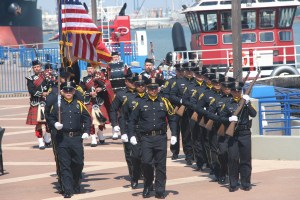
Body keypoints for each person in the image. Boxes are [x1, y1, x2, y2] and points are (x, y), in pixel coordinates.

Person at [128, 78, 177, 199]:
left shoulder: (165, 101)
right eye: (150, 88)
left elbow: (172, 118)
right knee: (146, 163)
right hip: (146, 138)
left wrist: (174, 134)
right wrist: (132, 135)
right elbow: (132, 121)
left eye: (155, 88)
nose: (153, 90)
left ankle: (160, 189)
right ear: (147, 89)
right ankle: (148, 184)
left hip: (160, 137)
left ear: (158, 89)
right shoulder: (140, 102)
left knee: (161, 165)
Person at [46, 81, 91, 198]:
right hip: (62, 138)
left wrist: (86, 131)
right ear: (62, 91)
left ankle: (75, 182)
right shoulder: (57, 104)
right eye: (65, 90)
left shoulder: (79, 104)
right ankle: (68, 189)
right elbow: (49, 117)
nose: (68, 92)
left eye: (70, 90)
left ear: (74, 91)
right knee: (64, 165)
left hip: (76, 137)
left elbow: (87, 118)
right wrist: (55, 123)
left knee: (78, 163)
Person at [218, 81, 257, 192]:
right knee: (233, 159)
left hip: (245, 133)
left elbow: (254, 114)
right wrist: (229, 119)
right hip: (233, 135)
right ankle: (233, 184)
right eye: (234, 90)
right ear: (231, 91)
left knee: (245, 159)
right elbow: (220, 118)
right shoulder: (227, 103)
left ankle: (245, 183)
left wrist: (248, 103)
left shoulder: (245, 102)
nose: (236, 92)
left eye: (238, 90)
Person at [109, 68, 137, 178]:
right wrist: (115, 124)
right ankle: (133, 173)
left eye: (134, 81)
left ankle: (141, 171)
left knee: (141, 151)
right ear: (126, 82)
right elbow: (113, 110)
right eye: (131, 81)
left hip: (140, 126)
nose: (134, 84)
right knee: (130, 152)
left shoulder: (141, 92)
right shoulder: (121, 94)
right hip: (126, 125)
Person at [121, 75, 147, 189]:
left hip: (147, 132)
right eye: (138, 85)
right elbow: (123, 116)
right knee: (135, 157)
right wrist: (124, 132)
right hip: (134, 132)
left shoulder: (151, 97)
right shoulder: (129, 99)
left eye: (142, 85)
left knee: (148, 158)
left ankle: (148, 181)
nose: (140, 87)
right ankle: (135, 177)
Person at [25, 60, 51, 150]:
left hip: (46, 102)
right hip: (36, 102)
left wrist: (48, 91)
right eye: (35, 67)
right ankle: (40, 141)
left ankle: (47, 137)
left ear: (40, 67)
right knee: (39, 123)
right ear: (33, 68)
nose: (36, 68)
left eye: (38, 67)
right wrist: (41, 94)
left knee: (48, 122)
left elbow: (50, 87)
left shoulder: (45, 77)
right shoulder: (30, 78)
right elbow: (31, 91)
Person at [81, 63, 108, 146]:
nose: (90, 70)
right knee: (91, 120)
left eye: (91, 68)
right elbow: (81, 91)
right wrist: (90, 93)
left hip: (99, 101)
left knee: (101, 119)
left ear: (95, 69)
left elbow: (105, 86)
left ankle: (100, 132)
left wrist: (100, 89)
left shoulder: (99, 78)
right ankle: (93, 137)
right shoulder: (84, 79)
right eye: (88, 68)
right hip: (89, 102)